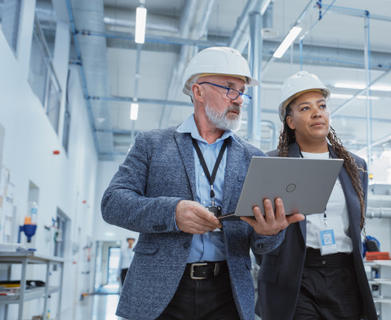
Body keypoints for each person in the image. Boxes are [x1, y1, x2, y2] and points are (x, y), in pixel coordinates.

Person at [101, 46, 304, 320]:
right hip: (161, 293)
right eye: (229, 88)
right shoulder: (152, 144)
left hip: (228, 292)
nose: (239, 99)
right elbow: (113, 203)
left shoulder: (253, 157)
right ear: (198, 92)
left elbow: (261, 246)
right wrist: (172, 213)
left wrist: (270, 232)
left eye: (242, 91)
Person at [256, 71, 376, 320]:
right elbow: (259, 230)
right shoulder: (273, 163)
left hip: (343, 276)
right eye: (305, 108)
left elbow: (356, 223)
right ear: (290, 121)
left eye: (321, 106)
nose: (317, 113)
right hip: (295, 276)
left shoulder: (356, 166)